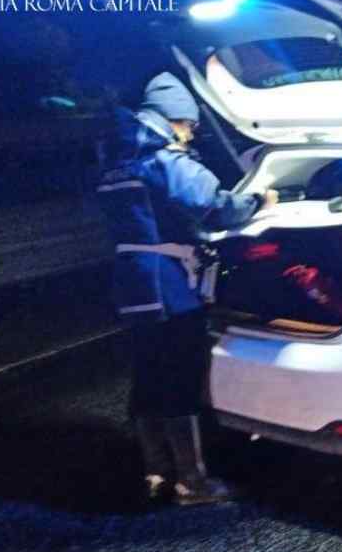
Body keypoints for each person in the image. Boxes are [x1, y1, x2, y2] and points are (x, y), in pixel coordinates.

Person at [97, 72, 278, 506]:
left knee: (147, 376)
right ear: (174, 118)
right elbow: (216, 206)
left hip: (130, 282)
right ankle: (193, 483)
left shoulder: (116, 161)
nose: (191, 131)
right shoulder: (166, 161)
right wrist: (260, 202)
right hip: (169, 286)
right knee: (179, 377)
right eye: (190, 124)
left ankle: (156, 473)